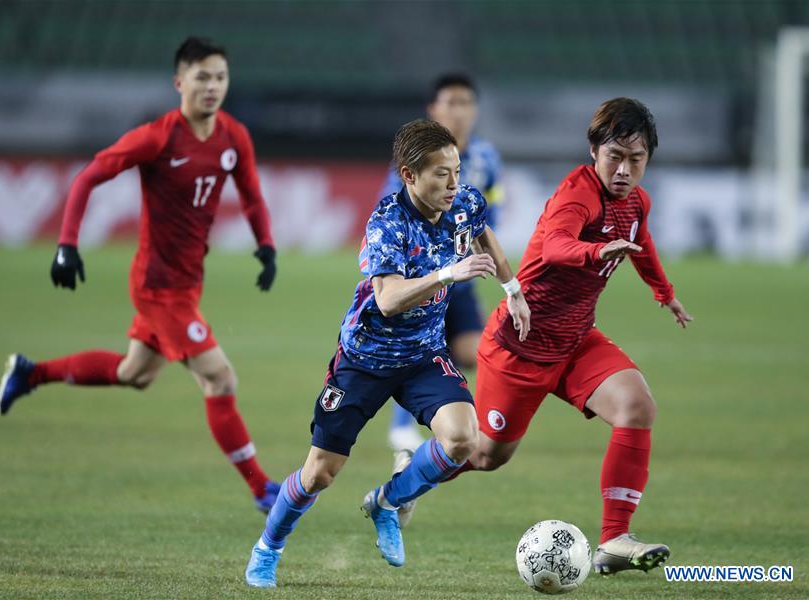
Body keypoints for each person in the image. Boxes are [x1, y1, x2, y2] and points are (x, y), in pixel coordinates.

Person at [0, 37, 281, 514]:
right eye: (202, 77)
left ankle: (30, 373)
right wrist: (67, 244)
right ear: (179, 82)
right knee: (220, 378)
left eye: (220, 77)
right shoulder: (159, 137)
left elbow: (250, 196)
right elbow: (89, 176)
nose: (212, 87)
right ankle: (261, 489)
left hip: (188, 282)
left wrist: (266, 245)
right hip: (158, 286)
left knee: (136, 373)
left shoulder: (234, 136)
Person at [243, 118, 530, 588]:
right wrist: (447, 275)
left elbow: (483, 234)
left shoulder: (465, 203)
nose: (454, 184)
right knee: (320, 474)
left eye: (457, 171)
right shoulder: (388, 223)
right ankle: (267, 548)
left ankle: (388, 502)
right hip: (365, 360)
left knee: (462, 439)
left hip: (422, 356)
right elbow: (388, 299)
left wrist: (512, 288)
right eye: (441, 173)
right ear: (409, 175)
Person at [447, 98, 693, 575]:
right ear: (594, 151)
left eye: (635, 160)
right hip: (521, 342)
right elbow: (558, 245)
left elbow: (642, 245)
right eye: (614, 157)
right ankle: (406, 478)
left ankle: (615, 539)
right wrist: (598, 250)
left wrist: (665, 294)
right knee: (483, 455)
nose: (623, 170)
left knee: (637, 406)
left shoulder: (637, 202)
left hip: (575, 340)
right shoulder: (576, 195)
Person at [382, 73, 505, 454]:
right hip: (423, 280)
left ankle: (464, 423)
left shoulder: (486, 158)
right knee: (423, 348)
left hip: (460, 283)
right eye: (450, 102)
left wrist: (481, 245)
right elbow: (391, 211)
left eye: (466, 103)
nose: (459, 111)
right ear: (434, 109)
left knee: (477, 352)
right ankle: (403, 427)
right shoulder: (416, 159)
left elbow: (491, 209)